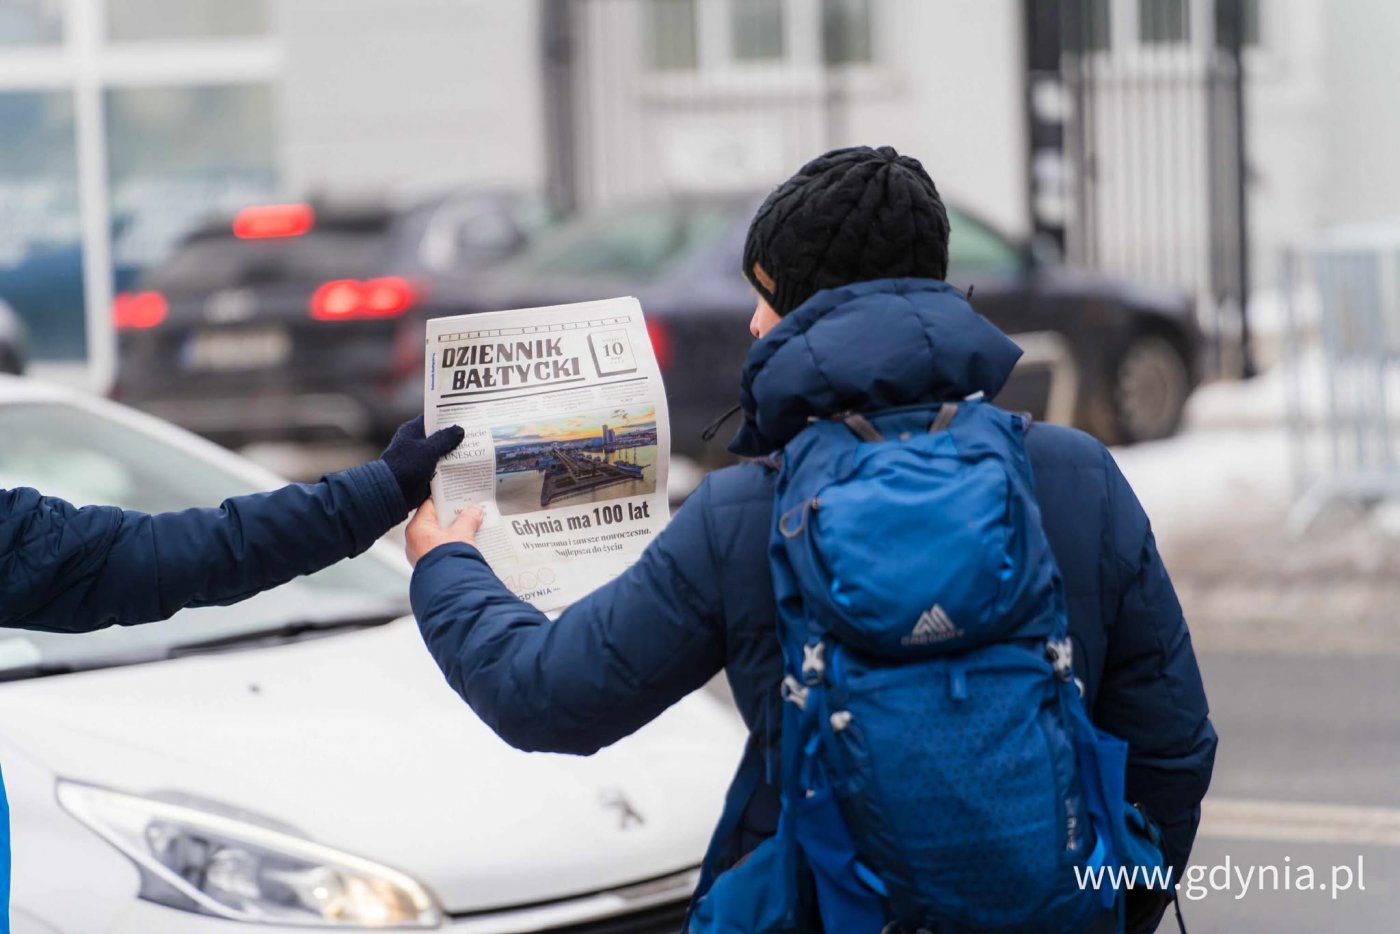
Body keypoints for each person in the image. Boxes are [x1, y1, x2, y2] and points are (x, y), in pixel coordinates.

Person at [405, 146, 1217, 931]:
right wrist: (1107, 908)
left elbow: (547, 696)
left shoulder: (744, 513)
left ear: (802, 305)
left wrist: (447, 568)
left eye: (764, 293)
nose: (754, 320)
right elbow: (1173, 749)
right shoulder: (1075, 475)